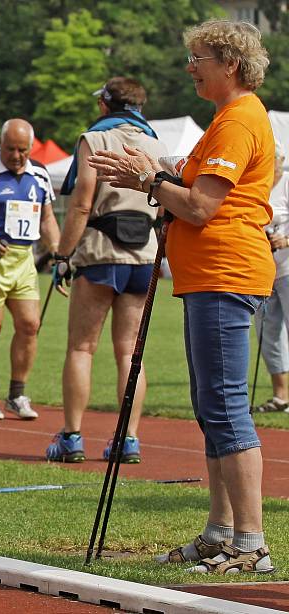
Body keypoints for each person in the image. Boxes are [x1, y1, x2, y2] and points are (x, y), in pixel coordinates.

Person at [89, 20, 275, 574]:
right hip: (211, 275)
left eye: (198, 58)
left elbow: (200, 207)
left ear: (230, 64)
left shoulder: (240, 119)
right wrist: (156, 174)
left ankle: (251, 543)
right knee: (211, 407)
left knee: (224, 407)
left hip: (226, 272)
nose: (190, 68)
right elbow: (193, 192)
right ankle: (222, 533)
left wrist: (149, 181)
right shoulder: (229, 117)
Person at [45, 77, 168, 464]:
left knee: (82, 347)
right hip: (143, 255)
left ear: (104, 106)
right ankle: (128, 440)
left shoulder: (93, 138)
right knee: (131, 353)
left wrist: (62, 256)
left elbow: (81, 203)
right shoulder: (156, 143)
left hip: (101, 251)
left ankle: (71, 437)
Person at [0, 119, 60, 420]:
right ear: (0, 144)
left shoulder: (40, 174)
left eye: (23, 150)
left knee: (30, 324)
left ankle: (17, 394)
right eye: (11, 149)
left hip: (24, 257)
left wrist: (57, 250)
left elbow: (47, 218)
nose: (16, 156)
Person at [253, 141, 289, 413]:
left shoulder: (287, 183)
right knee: (268, 334)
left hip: (287, 269)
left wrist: (286, 239)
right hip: (261, 272)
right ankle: (281, 396)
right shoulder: (255, 184)